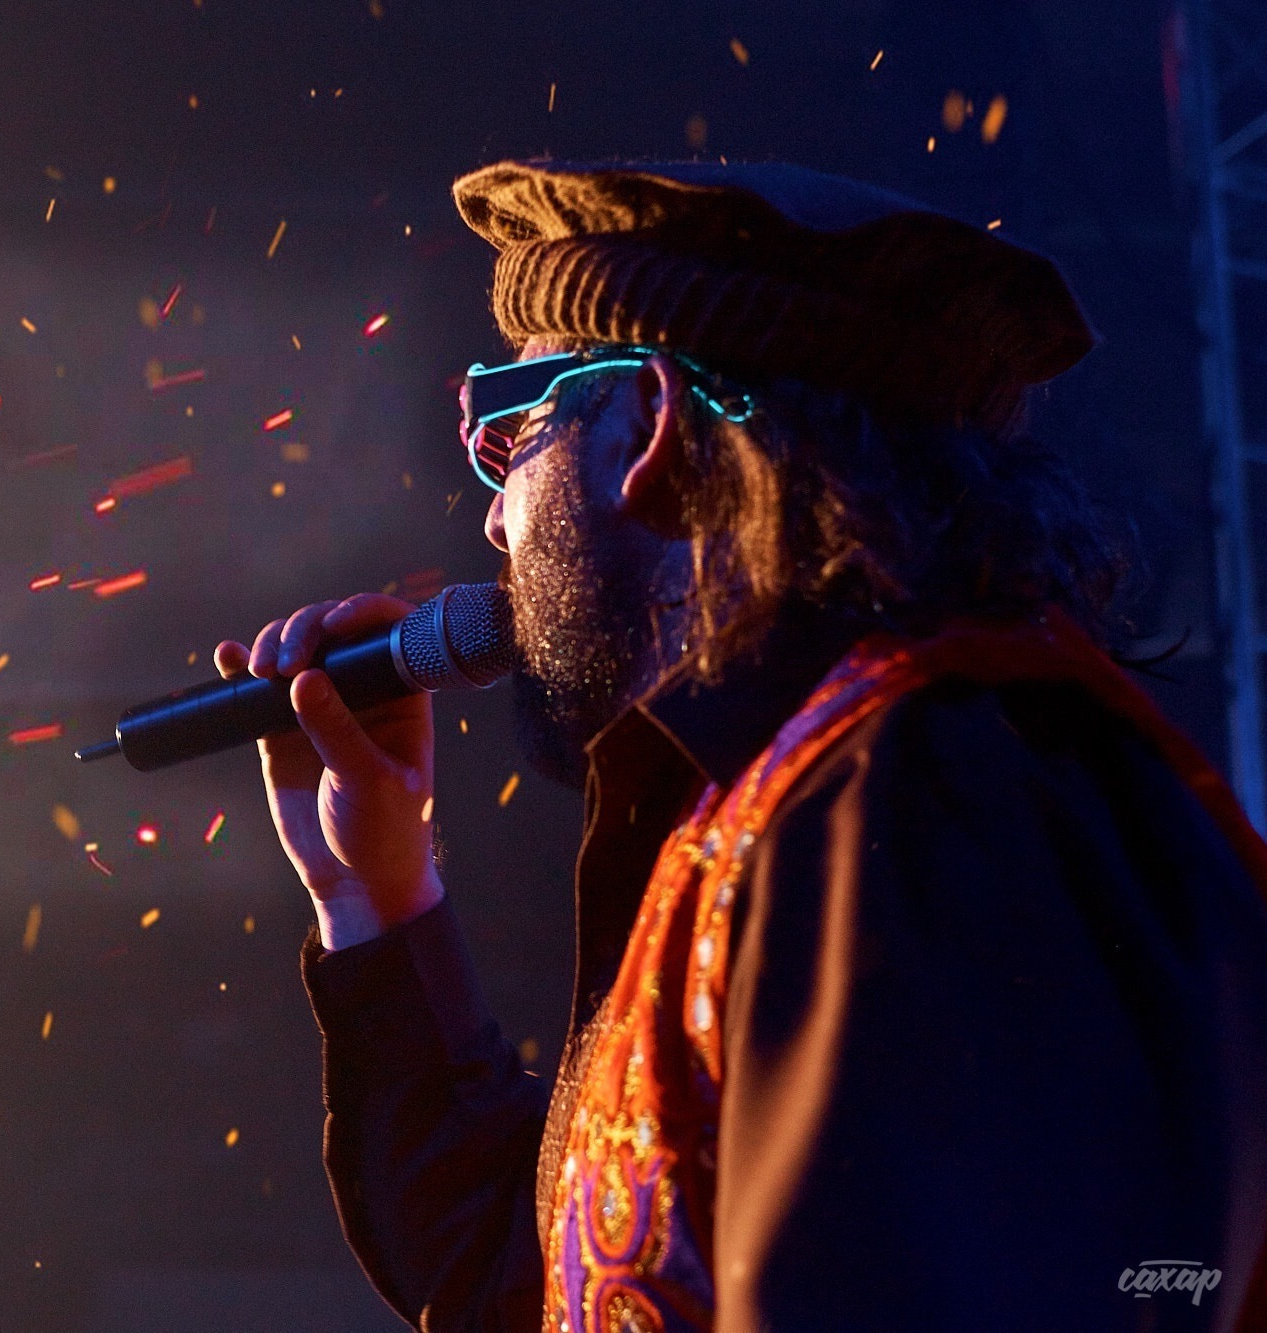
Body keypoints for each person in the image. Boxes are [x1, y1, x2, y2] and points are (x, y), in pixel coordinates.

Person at [213, 160, 1267, 1331]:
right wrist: (376, 894)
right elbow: (538, 1281)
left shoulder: (923, 808)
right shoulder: (783, 809)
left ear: (648, 428)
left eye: (512, 446)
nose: (496, 517)